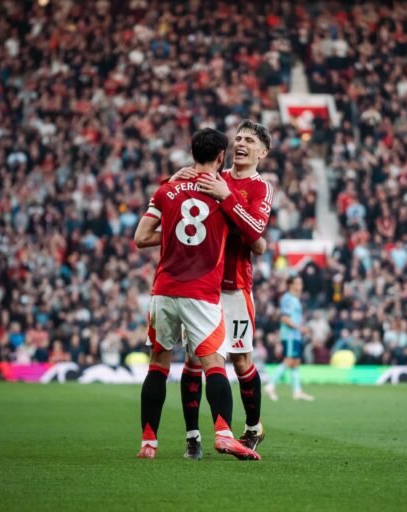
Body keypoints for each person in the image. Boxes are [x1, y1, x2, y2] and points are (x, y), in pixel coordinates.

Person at [132, 128, 260, 461]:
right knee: (214, 364)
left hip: (163, 290)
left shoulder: (168, 190)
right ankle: (223, 434)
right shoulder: (223, 193)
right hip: (201, 292)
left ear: (191, 154)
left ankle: (149, 443)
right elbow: (256, 240)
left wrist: (174, 229)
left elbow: (141, 237)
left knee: (158, 364)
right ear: (221, 157)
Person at [167, 120, 274, 458]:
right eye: (238, 138)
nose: (241, 144)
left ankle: (253, 427)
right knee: (195, 360)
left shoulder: (260, 187)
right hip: (201, 286)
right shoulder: (214, 175)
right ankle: (193, 437)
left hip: (235, 287)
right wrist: (175, 179)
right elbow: (181, 211)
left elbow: (256, 233)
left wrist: (227, 199)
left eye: (249, 140)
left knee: (241, 361)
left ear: (262, 152)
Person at [264, 276, 314, 401]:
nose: (300, 285)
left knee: (295, 362)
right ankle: (270, 384)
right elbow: (285, 318)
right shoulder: (287, 298)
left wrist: (301, 328)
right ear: (291, 285)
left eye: (301, 283)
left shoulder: (296, 299)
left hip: (296, 335)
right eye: (298, 283)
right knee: (289, 360)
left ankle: (297, 391)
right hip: (290, 335)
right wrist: (300, 328)